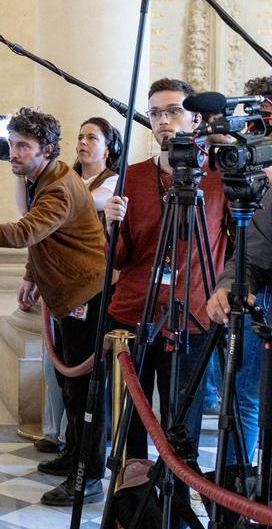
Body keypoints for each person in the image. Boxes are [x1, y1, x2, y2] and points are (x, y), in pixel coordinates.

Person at [0, 107, 108, 506]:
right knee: (69, 385)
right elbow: (45, 238)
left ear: (46, 149)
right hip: (65, 293)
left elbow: (24, 231)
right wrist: (32, 275)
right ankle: (71, 456)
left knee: (86, 393)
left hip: (87, 296)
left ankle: (89, 477)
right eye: (12, 144)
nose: (13, 152)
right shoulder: (43, 178)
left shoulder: (59, 185)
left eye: (23, 146)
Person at [103, 78, 227, 467]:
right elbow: (121, 259)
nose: (163, 121)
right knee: (130, 426)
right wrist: (110, 226)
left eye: (174, 111)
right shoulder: (133, 176)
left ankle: (175, 514)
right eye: (156, 113)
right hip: (134, 314)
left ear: (195, 119)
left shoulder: (220, 175)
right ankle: (132, 510)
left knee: (181, 427)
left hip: (192, 319)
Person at [29, 117, 124, 455]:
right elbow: (37, 227)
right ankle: (69, 448)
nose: (83, 142)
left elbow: (82, 202)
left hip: (94, 288)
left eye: (92, 137)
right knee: (63, 374)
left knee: (83, 377)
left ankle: (87, 460)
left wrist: (41, 177)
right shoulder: (64, 179)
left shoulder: (111, 182)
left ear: (108, 146)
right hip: (60, 284)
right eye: (80, 136)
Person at [204, 74, 272, 465]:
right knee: (243, 396)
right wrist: (229, 284)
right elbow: (253, 248)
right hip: (261, 306)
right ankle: (235, 503)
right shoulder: (257, 174)